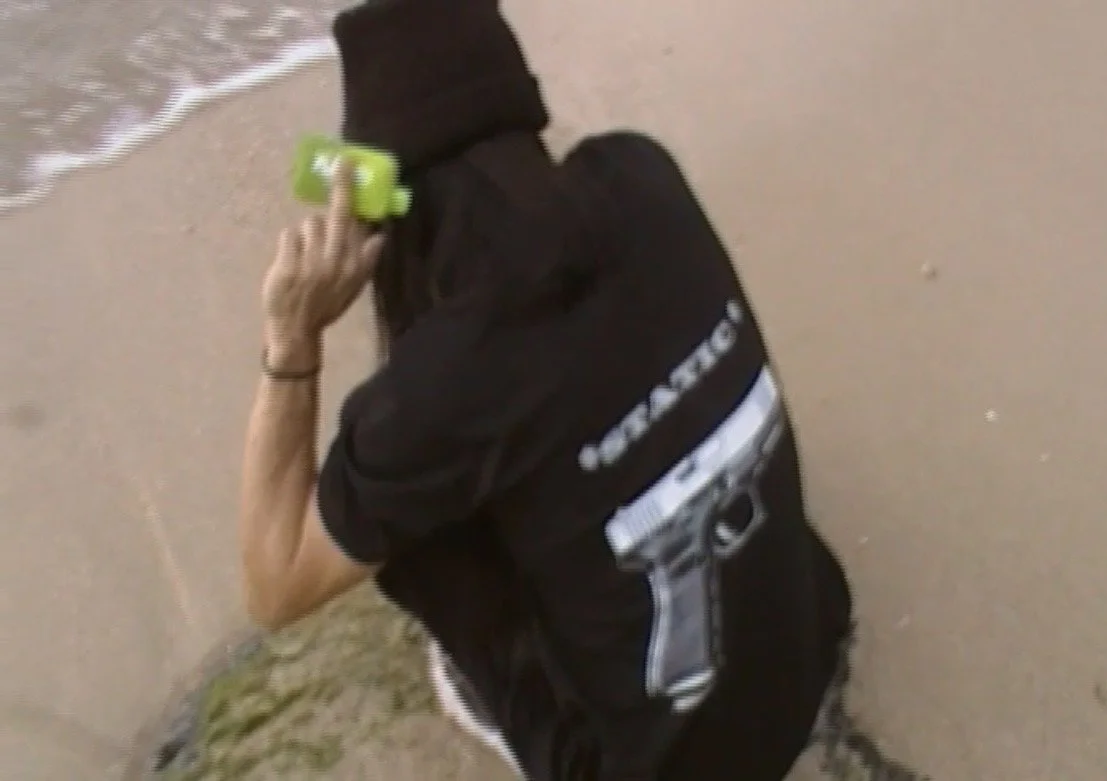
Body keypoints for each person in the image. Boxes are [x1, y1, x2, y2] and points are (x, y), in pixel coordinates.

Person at [237, 0, 853, 778]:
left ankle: (511, 714)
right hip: (809, 639)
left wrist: (291, 338)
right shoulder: (641, 174)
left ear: (388, 198)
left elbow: (274, 580)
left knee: (414, 519)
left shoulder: (438, 389)